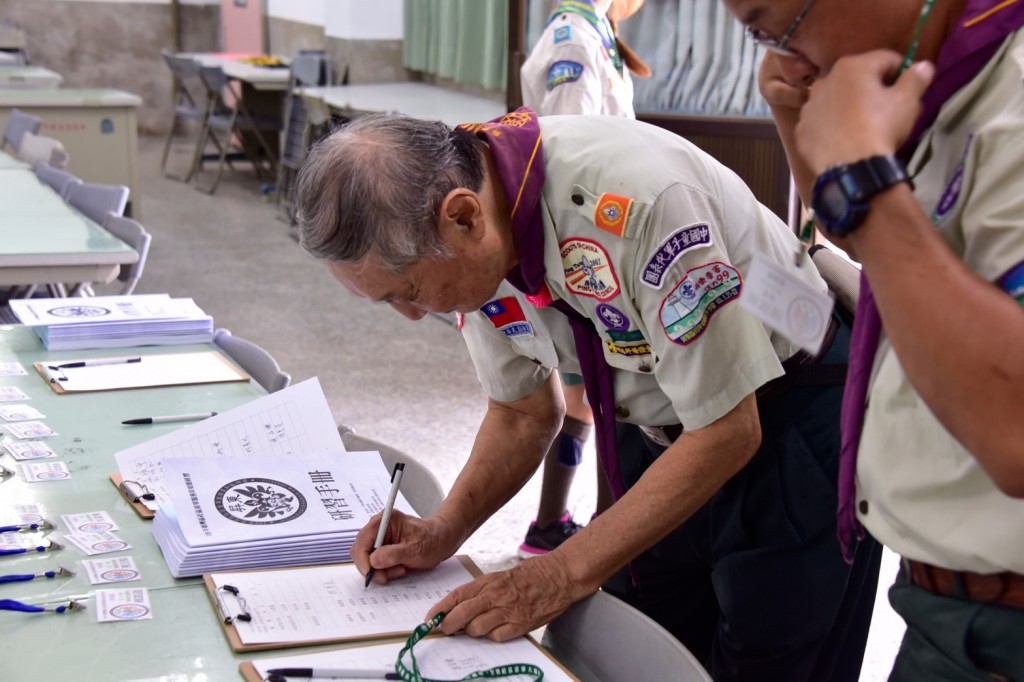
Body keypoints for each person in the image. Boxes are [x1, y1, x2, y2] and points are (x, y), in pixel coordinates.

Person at [294, 109, 881, 681]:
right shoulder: (474, 230)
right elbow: (522, 411)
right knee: (637, 650)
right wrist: (444, 529)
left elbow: (729, 428)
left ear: (464, 216)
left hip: (795, 417)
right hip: (656, 421)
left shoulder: (641, 203)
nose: (414, 315)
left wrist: (557, 574)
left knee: (774, 656)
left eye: (411, 290)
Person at [718, 0, 1024, 678]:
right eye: (758, 37)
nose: (787, 59)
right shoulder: (950, 76)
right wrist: (802, 125)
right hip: (943, 600)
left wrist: (865, 178)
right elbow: (877, 249)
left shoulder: (1012, 96)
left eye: (777, 26)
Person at [515, 0, 651, 558]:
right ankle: (593, 532)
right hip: (587, 249)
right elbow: (570, 148)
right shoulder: (574, 39)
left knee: (589, 399)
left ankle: (555, 527)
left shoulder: (590, 32)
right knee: (604, 396)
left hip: (595, 241)